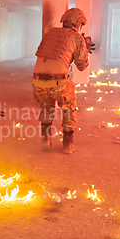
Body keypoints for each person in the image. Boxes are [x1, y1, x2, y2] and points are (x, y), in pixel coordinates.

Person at [32, 8, 91, 154]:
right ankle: (67, 145)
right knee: (69, 108)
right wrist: (84, 47)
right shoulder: (77, 38)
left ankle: (45, 141)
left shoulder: (49, 33)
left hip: (37, 82)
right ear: (78, 23)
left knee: (46, 106)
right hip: (58, 83)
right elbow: (82, 66)